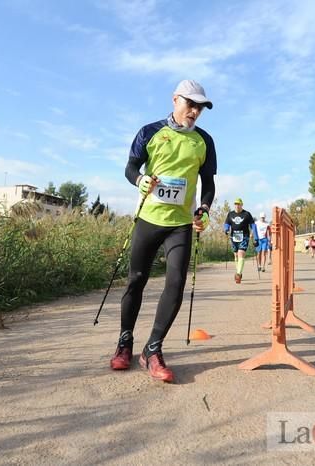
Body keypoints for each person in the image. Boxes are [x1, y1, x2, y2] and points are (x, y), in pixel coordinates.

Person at [110, 80, 216, 383]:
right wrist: (140, 180)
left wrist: (204, 210)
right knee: (136, 280)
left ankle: (152, 349)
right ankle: (124, 343)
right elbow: (130, 168)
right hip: (149, 219)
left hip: (181, 224)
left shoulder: (205, 141)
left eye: (200, 107)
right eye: (190, 104)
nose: (195, 111)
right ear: (175, 100)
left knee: (176, 282)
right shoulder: (150, 131)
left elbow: (208, 184)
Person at [223, 198, 256, 283]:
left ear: (242, 204)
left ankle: (238, 274)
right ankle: (238, 271)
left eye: (238, 204)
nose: (237, 206)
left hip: (244, 236)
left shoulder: (247, 214)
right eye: (235, 204)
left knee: (241, 253)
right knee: (236, 255)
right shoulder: (230, 214)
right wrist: (226, 229)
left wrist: (253, 233)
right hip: (233, 237)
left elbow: (253, 225)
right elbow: (227, 223)